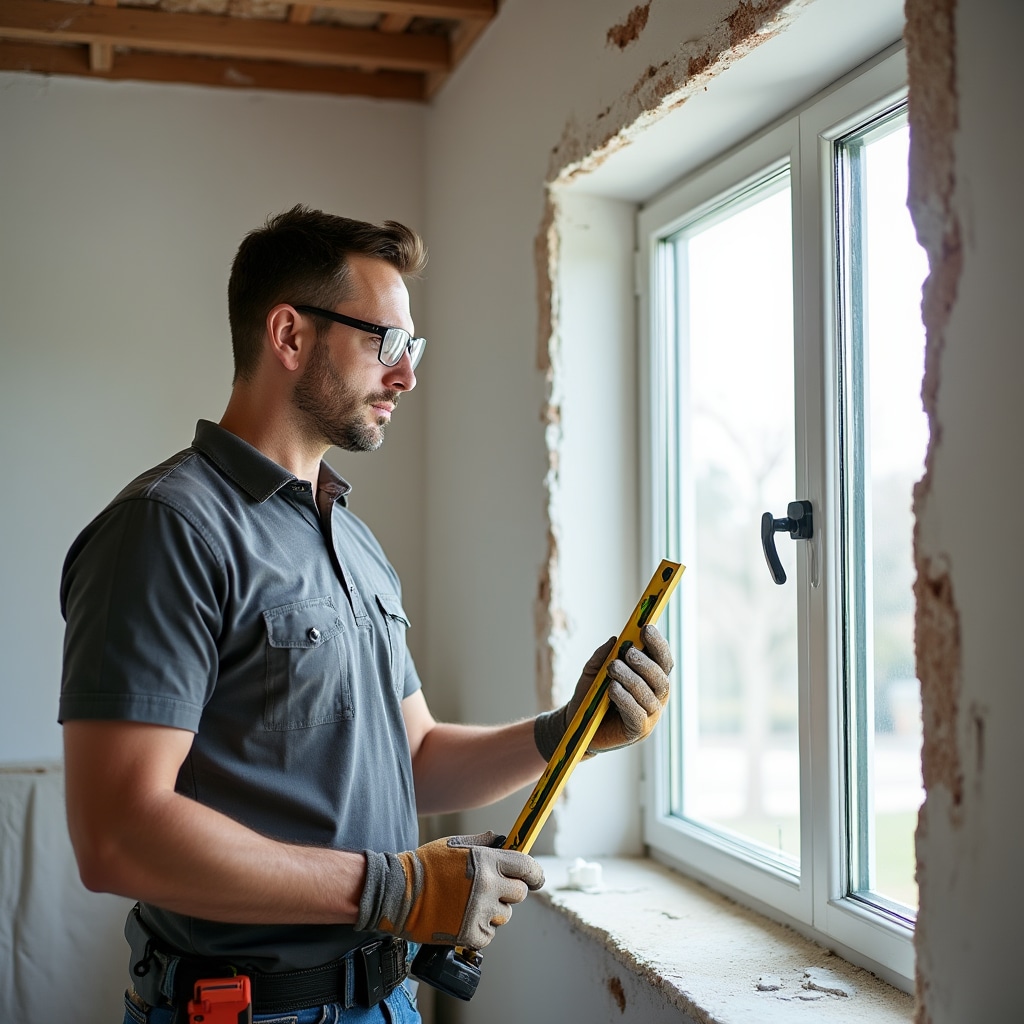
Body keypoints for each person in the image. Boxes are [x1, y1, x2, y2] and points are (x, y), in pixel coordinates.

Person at [59, 205, 674, 1024]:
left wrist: (569, 734)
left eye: (410, 347)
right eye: (385, 342)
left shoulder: (351, 539)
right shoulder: (167, 529)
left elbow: (411, 756)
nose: (407, 375)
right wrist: (401, 888)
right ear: (290, 336)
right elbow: (117, 835)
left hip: (387, 1000)